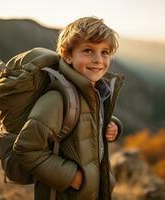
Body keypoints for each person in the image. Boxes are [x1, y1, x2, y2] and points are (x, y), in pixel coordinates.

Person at [12, 16, 123, 200]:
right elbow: (26, 148)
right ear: (68, 55)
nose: (98, 60)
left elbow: (91, 121)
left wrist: (113, 126)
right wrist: (74, 178)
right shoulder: (57, 99)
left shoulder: (95, 92)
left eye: (105, 52)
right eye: (88, 50)